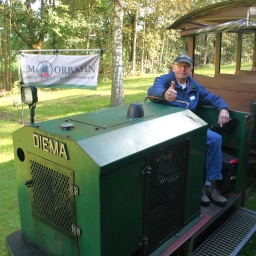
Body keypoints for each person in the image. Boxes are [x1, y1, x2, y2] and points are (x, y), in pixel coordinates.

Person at [147, 53, 230, 206]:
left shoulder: (195, 86)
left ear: (191, 69)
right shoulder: (164, 81)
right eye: (179, 66)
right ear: (173, 67)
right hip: (167, 128)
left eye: (186, 67)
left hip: (190, 126)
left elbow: (212, 98)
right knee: (189, 146)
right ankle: (192, 189)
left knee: (215, 139)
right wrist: (165, 94)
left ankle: (210, 185)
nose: (182, 69)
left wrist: (223, 108)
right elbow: (152, 91)